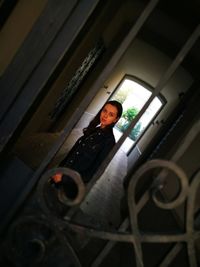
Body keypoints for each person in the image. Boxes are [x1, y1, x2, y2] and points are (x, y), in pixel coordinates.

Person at [51, 100, 123, 198]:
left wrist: (64, 179)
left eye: (111, 114)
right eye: (104, 111)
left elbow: (93, 172)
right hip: (60, 176)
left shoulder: (109, 142)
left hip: (70, 186)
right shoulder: (94, 129)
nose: (105, 116)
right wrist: (59, 170)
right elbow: (73, 153)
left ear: (115, 119)